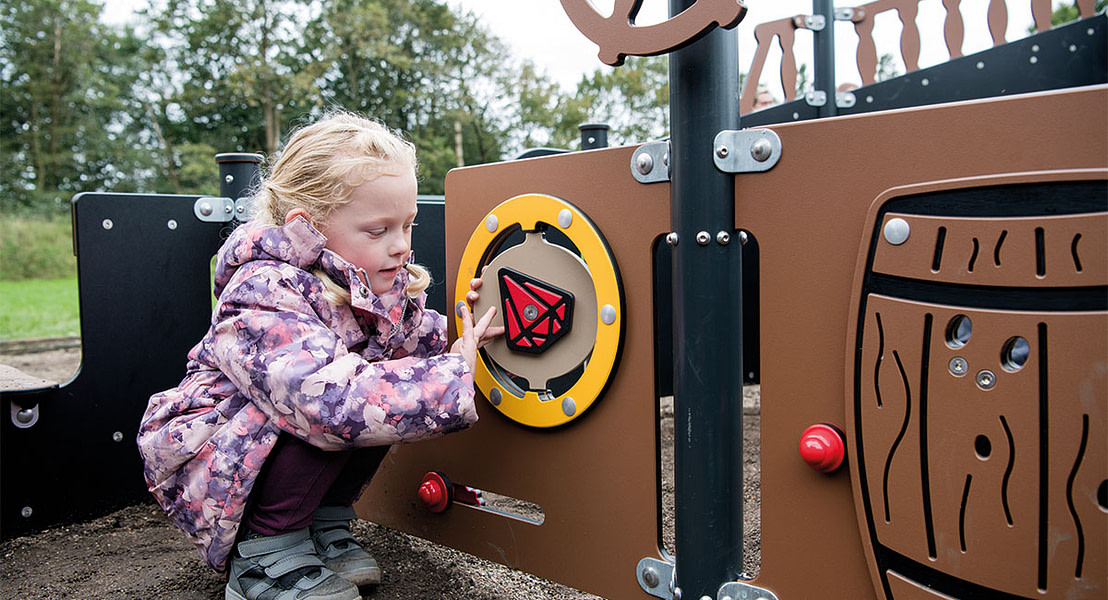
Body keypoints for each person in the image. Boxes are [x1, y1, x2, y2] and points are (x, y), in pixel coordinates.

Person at [137, 110, 502, 600]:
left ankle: (318, 525)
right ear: (307, 229)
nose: (401, 247)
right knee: (347, 397)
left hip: (285, 430)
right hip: (213, 454)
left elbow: (411, 336)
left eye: (408, 226)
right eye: (378, 231)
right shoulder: (262, 290)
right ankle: (263, 556)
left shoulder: (365, 282)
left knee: (380, 381)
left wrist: (465, 332)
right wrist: (449, 379)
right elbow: (326, 403)